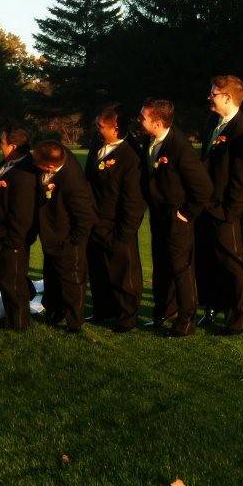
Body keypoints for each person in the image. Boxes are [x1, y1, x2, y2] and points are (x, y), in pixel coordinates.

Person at [136, 99, 213, 337]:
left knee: (181, 268)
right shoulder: (151, 141)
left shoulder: (179, 147)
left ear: (157, 123)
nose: (139, 121)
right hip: (159, 214)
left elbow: (204, 188)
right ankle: (164, 311)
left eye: (143, 118)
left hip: (176, 215)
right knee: (161, 263)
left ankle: (186, 319)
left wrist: (186, 213)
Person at [195, 75, 243, 334]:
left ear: (228, 98)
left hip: (226, 209)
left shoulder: (242, 131)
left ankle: (239, 319)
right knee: (208, 259)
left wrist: (230, 211)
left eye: (213, 93)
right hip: (207, 205)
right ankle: (212, 306)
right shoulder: (212, 121)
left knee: (233, 262)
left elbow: (242, 178)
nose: (209, 97)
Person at [84, 104, 146, 333]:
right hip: (94, 219)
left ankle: (127, 316)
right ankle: (103, 309)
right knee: (98, 269)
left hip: (117, 223)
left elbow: (133, 199)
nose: (97, 129)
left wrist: (126, 231)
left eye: (102, 126)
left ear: (116, 128)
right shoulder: (97, 144)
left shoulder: (131, 156)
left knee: (124, 273)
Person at [32, 140, 97, 333]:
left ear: (50, 166)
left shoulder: (73, 181)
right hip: (51, 235)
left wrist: (73, 243)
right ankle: (54, 312)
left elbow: (85, 217)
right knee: (51, 277)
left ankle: (74, 322)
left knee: (72, 281)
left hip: (67, 239)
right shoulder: (58, 155)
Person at [0, 126, 40, 330]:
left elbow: (22, 211)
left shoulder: (24, 172)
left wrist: (13, 241)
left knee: (13, 283)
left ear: (13, 146)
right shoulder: (10, 163)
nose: (0, 146)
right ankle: (13, 317)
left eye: (2, 142)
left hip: (11, 238)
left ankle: (19, 323)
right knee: (8, 280)